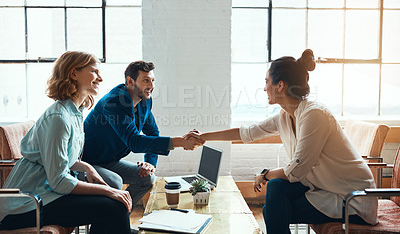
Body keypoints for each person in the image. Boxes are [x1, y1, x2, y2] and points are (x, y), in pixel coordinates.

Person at [186, 49, 378, 233]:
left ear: (280, 85)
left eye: (267, 81)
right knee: (276, 193)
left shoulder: (314, 115)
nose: (264, 87)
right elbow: (248, 132)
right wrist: (204, 137)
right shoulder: (285, 116)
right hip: (324, 188)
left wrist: (265, 174)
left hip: (352, 198)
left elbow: (297, 170)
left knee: (273, 211)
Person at [0, 51, 136, 234]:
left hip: (47, 194)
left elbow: (62, 158)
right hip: (24, 205)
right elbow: (59, 181)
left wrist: (87, 167)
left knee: (112, 207)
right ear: (74, 73)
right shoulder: (58, 118)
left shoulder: (74, 112)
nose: (101, 78)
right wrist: (108, 191)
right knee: (113, 206)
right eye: (95, 71)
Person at [82, 60, 204, 207]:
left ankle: (117, 218)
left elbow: (153, 133)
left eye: (152, 80)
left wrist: (149, 164)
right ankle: (111, 222)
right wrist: (179, 142)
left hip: (110, 160)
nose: (151, 86)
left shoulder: (144, 101)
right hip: (88, 162)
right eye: (146, 80)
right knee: (115, 182)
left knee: (147, 178)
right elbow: (134, 142)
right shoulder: (114, 102)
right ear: (130, 81)